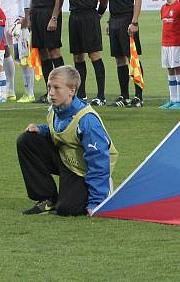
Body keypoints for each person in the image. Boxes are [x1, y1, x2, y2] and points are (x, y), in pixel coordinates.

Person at [16, 66, 117, 216]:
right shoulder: (54, 109)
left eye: (57, 88)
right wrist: (41, 129)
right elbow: (59, 130)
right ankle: (47, 199)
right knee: (27, 140)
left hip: (84, 169)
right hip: (66, 158)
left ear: (72, 90)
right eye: (49, 87)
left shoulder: (87, 121)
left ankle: (103, 191)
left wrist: (96, 201)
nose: (50, 93)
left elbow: (99, 160)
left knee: (67, 209)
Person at [65, 0, 108, 106]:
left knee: (94, 54)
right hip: (74, 17)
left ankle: (101, 95)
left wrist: (99, 12)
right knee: (77, 56)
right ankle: (81, 95)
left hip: (89, 16)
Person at [29, 0, 65, 103]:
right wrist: (30, 15)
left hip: (49, 12)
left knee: (54, 51)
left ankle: (63, 89)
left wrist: (55, 17)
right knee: (42, 52)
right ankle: (49, 91)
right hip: (36, 14)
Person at [107, 0, 143, 108]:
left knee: (132, 57)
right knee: (119, 59)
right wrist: (109, 20)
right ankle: (124, 95)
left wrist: (134, 22)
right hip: (114, 20)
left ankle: (138, 96)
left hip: (127, 19)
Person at [158, 0, 180, 110]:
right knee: (170, 70)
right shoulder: (163, 8)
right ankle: (172, 99)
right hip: (166, 44)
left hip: (177, 44)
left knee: (178, 69)